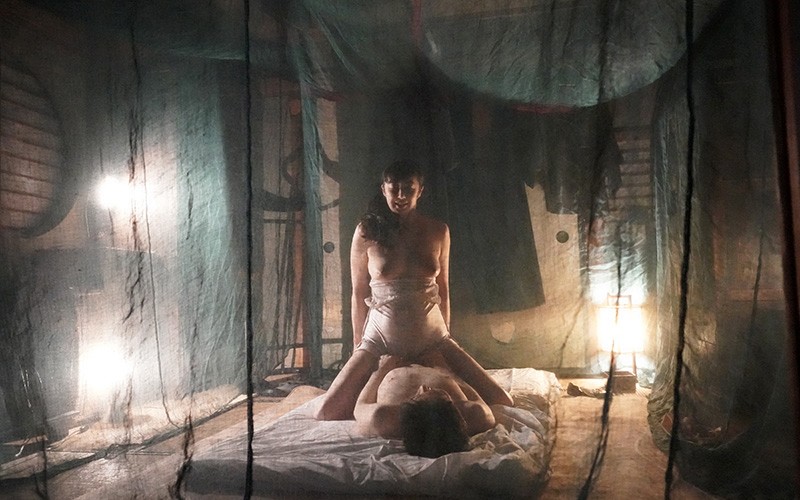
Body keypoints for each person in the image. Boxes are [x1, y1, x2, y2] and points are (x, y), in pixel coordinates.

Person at [314, 159, 513, 420]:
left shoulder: (439, 231)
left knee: (502, 400)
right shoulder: (367, 232)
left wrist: (445, 340)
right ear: (383, 189)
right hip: (380, 340)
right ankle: (380, 375)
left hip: (432, 337)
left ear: (420, 191)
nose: (400, 196)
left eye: (408, 189)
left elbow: (443, 288)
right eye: (393, 188)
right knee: (328, 412)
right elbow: (358, 291)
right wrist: (358, 345)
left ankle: (435, 368)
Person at [353, 354, 496, 458]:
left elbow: (360, 407)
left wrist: (381, 369)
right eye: (440, 395)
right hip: (435, 362)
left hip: (393, 361)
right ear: (454, 408)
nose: (423, 387)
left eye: (416, 396)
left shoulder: (387, 420)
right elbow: (477, 398)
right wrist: (446, 370)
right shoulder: (476, 416)